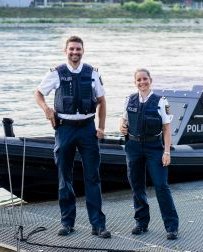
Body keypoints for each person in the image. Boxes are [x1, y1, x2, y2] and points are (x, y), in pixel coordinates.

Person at [34, 36, 111, 239]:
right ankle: (67, 222)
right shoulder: (56, 73)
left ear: (83, 51)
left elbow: (102, 101)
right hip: (65, 129)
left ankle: (98, 225)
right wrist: (47, 110)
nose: (75, 52)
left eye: (78, 49)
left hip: (87, 128)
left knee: (92, 177)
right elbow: (39, 94)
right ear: (65, 50)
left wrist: (101, 127)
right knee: (64, 177)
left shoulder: (93, 73)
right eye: (71, 49)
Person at [120, 68, 179, 240]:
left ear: (150, 80)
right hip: (133, 146)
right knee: (137, 186)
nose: (142, 82)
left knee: (161, 186)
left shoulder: (161, 101)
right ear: (135, 82)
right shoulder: (129, 100)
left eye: (145, 79)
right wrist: (121, 126)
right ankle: (141, 222)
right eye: (138, 80)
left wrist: (167, 151)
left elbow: (167, 129)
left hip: (154, 147)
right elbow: (123, 120)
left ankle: (171, 226)